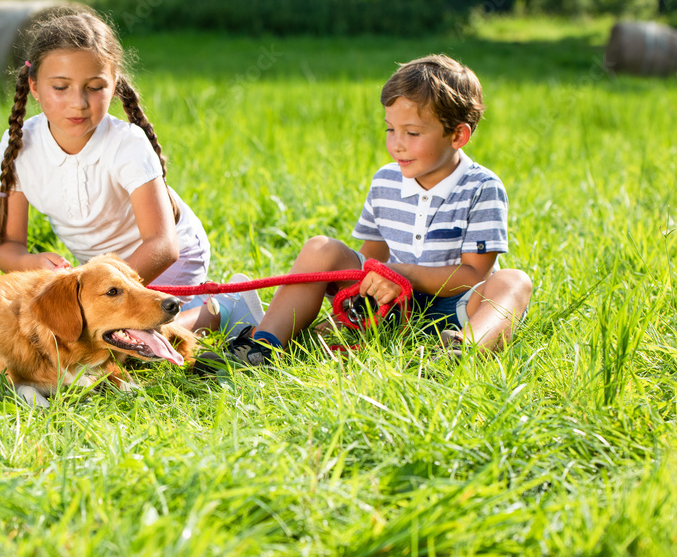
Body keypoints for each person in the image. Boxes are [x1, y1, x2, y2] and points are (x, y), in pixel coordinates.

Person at [196, 54, 533, 371]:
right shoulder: (386, 180)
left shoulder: (482, 187)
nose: (396, 143)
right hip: (395, 306)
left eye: (412, 133)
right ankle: (262, 347)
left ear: (458, 135)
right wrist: (362, 297)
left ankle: (460, 352)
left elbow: (473, 276)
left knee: (513, 282)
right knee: (320, 247)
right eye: (390, 129)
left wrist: (400, 272)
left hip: (459, 309)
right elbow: (371, 257)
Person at [0, 8, 260, 334]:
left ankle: (219, 311)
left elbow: (163, 245)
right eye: (60, 87)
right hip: (102, 277)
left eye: (95, 87)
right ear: (33, 87)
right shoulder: (19, 144)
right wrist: (32, 263)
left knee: (121, 341)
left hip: (164, 261)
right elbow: (8, 247)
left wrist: (112, 292)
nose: (79, 103)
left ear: (114, 85)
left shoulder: (125, 144)